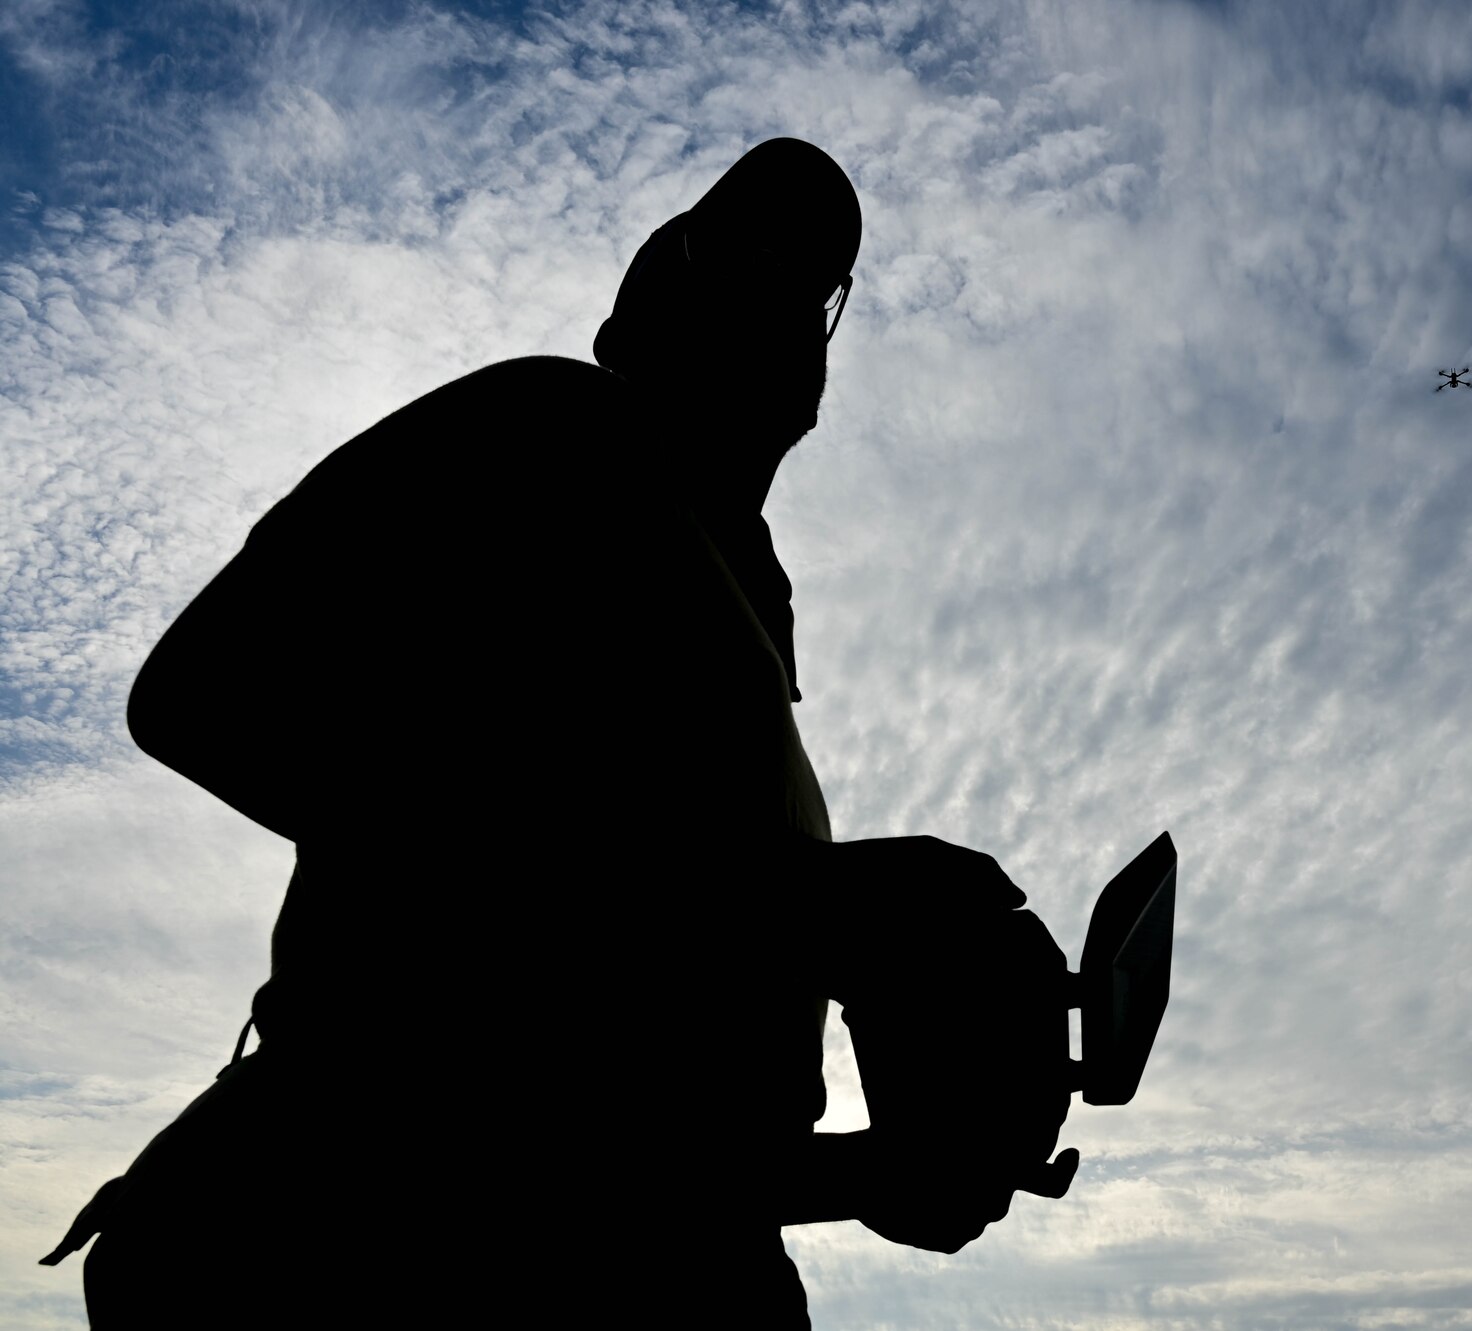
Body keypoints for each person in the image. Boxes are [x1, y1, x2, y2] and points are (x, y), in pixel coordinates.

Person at [45, 137, 1070, 1328]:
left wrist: (868, 1172)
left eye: (813, 282)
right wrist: (789, 905)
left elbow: (616, 1131)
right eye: (738, 247)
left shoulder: (753, 641)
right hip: (367, 1243)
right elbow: (200, 696)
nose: (780, 286)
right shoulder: (554, 430)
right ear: (648, 302)